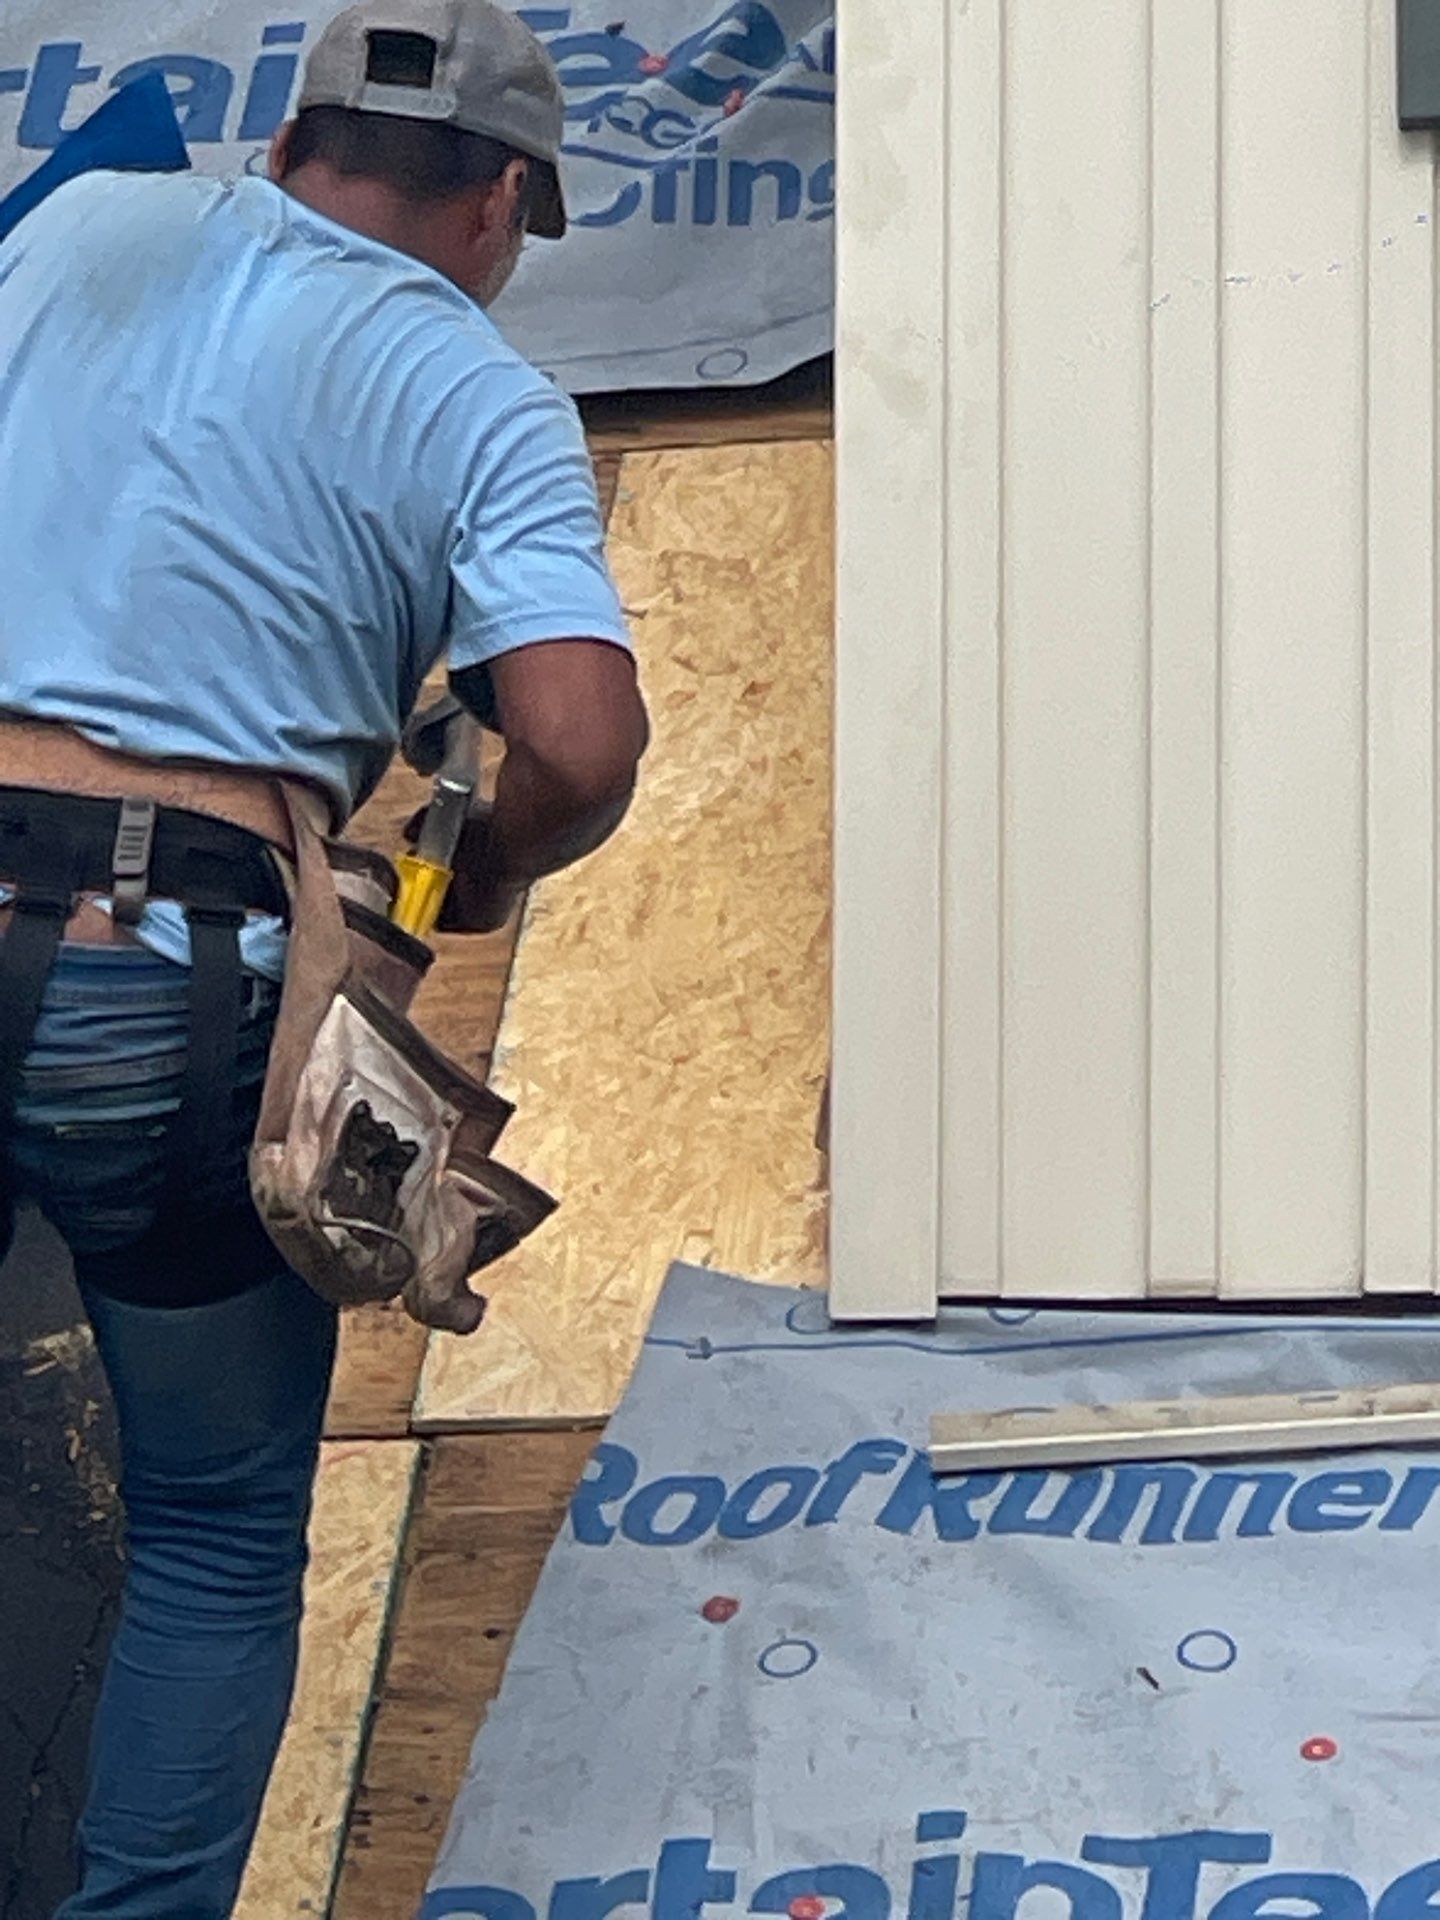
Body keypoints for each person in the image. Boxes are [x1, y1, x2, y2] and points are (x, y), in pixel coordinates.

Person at [0, 0, 648, 1912]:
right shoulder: (471, 386)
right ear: (502, 197)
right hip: (164, 954)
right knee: (207, 1523)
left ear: (292, 145)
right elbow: (577, 743)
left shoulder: (67, 236)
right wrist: (472, 874)